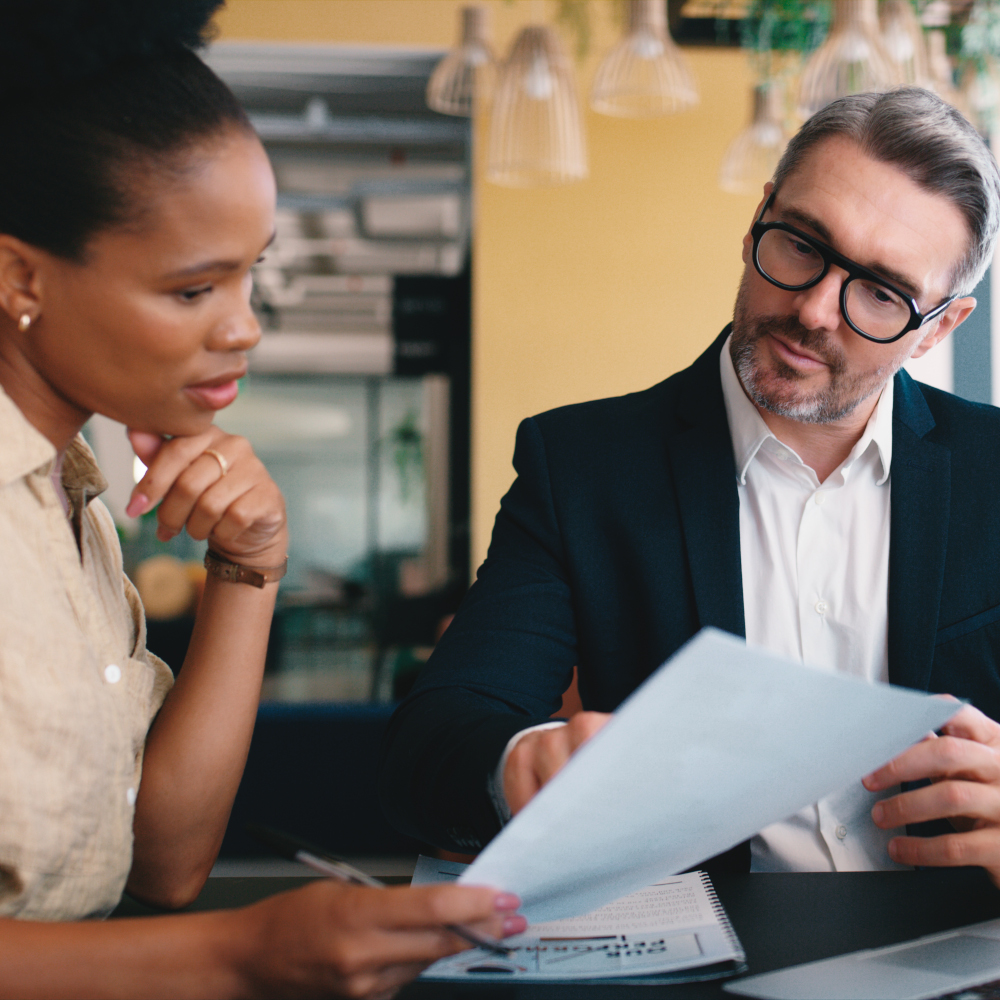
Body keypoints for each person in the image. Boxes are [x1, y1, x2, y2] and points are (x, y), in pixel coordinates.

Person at [0, 3, 526, 997]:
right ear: (20, 276)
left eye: (252, 274)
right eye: (193, 289)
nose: (245, 328)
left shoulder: (71, 505)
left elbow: (165, 862)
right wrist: (236, 955)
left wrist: (249, 568)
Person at [379, 87, 1000, 884]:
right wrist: (524, 765)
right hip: (704, 938)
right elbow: (429, 746)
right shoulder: (583, 468)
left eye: (881, 292)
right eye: (801, 244)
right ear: (759, 217)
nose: (815, 310)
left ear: (940, 327)